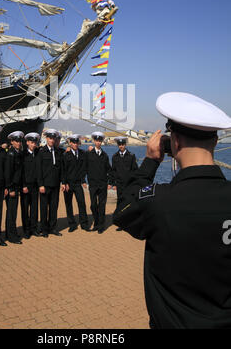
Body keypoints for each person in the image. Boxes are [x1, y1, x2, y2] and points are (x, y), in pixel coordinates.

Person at [113, 92, 231, 329]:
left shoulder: (158, 202)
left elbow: (123, 210)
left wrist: (149, 162)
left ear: (174, 142)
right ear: (216, 142)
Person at [36, 129, 64, 237]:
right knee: (44, 208)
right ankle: (44, 229)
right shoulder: (41, 152)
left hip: (55, 184)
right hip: (45, 185)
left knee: (54, 207)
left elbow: (60, 168)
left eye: (53, 138)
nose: (52, 140)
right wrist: (40, 184)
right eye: (50, 138)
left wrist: (63, 182)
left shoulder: (57, 152)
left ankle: (53, 228)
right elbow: (39, 170)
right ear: (46, 138)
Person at [62, 134, 90, 232]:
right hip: (68, 184)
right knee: (68, 204)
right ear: (70, 143)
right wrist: (64, 183)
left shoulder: (82, 153)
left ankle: (84, 224)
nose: (75, 144)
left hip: (78, 183)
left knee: (82, 203)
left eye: (76, 142)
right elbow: (63, 170)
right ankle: (72, 224)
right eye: (73, 142)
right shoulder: (66, 155)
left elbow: (84, 167)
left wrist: (83, 180)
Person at [85, 132, 112, 234]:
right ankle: (96, 223)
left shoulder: (104, 155)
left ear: (101, 142)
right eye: (96, 141)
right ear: (94, 141)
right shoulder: (88, 154)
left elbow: (109, 169)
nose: (98, 142)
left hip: (103, 184)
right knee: (93, 205)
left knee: (102, 205)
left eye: (100, 141)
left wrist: (110, 182)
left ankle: (101, 225)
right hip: (93, 184)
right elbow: (84, 167)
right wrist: (83, 180)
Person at [110, 136, 138, 231]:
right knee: (120, 203)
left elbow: (135, 170)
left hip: (129, 184)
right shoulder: (115, 157)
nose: (121, 146)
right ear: (118, 145)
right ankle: (121, 223)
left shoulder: (131, 156)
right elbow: (113, 171)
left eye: (122, 144)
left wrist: (134, 183)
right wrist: (113, 183)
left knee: (129, 203)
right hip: (119, 184)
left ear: (125, 145)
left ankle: (129, 222)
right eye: (119, 144)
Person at [4, 131, 24, 244]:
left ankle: (10, 232)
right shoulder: (11, 154)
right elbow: (8, 173)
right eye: (16, 141)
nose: (19, 143)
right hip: (12, 188)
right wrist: (10, 188)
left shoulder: (18, 153)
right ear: (11, 142)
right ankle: (11, 236)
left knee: (13, 211)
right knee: (11, 212)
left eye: (20, 141)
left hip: (16, 187)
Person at [22, 132, 41, 238]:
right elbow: (21, 172)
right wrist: (23, 185)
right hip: (26, 186)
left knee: (34, 208)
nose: (33, 145)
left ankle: (34, 228)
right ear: (27, 142)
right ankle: (26, 230)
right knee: (25, 209)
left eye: (35, 143)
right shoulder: (23, 154)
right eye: (31, 142)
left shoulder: (37, 153)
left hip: (35, 185)